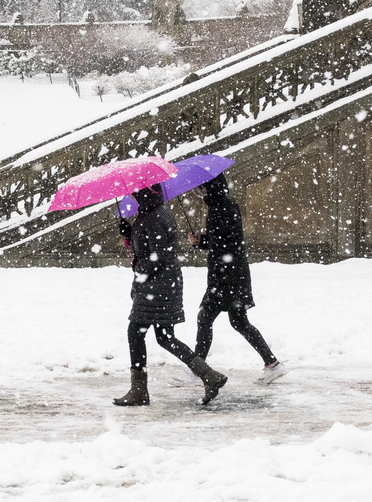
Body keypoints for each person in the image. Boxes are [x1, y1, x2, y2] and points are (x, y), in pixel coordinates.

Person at [114, 183, 229, 406]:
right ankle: (209, 376)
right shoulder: (154, 212)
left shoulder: (153, 216)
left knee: (136, 333)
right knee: (165, 337)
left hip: (157, 285)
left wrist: (139, 268)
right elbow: (152, 248)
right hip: (164, 283)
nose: (134, 197)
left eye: (137, 193)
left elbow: (158, 255)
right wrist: (130, 231)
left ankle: (139, 391)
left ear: (146, 193)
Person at [187, 173, 288, 384]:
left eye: (202, 189)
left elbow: (226, 243)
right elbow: (224, 241)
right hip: (233, 274)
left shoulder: (221, 207)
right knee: (239, 322)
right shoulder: (222, 205)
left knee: (205, 318)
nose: (199, 194)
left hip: (226, 277)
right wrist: (202, 240)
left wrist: (206, 241)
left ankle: (198, 370)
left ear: (209, 188)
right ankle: (273, 364)